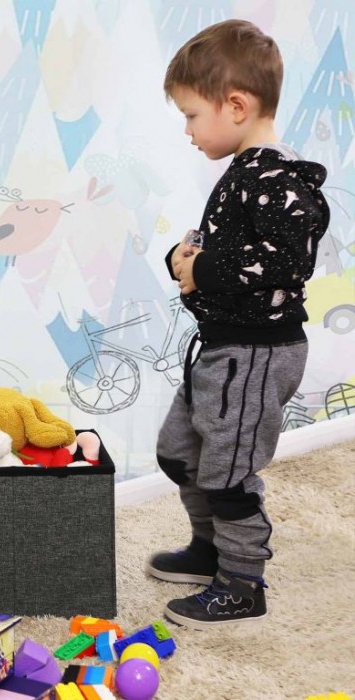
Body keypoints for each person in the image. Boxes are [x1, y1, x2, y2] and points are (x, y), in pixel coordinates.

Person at [147, 19, 330, 629]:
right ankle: (210, 551)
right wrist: (185, 259)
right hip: (222, 349)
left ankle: (243, 582)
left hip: (256, 354)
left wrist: (204, 268)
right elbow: (233, 254)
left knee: (228, 472)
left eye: (192, 116)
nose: (187, 130)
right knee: (180, 453)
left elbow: (288, 261)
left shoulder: (280, 179)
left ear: (236, 105)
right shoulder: (245, 172)